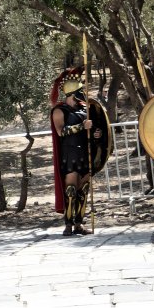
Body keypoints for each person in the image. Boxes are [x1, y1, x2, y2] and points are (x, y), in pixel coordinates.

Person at [50, 70, 100, 236]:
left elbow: (92, 129)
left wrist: (95, 133)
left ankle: (79, 224)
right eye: (80, 90)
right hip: (69, 154)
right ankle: (68, 225)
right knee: (70, 190)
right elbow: (61, 132)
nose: (82, 93)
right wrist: (81, 126)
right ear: (73, 93)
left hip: (85, 152)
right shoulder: (59, 111)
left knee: (83, 189)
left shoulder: (84, 109)